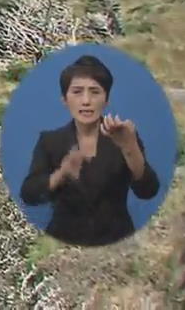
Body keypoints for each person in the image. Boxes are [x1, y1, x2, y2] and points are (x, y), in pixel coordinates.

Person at [19, 55, 161, 246]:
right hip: (64, 243)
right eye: (77, 92)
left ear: (106, 100)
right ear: (65, 99)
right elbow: (29, 194)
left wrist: (130, 148)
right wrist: (62, 173)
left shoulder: (124, 135)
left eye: (95, 92)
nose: (86, 101)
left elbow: (148, 190)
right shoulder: (50, 141)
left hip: (117, 241)